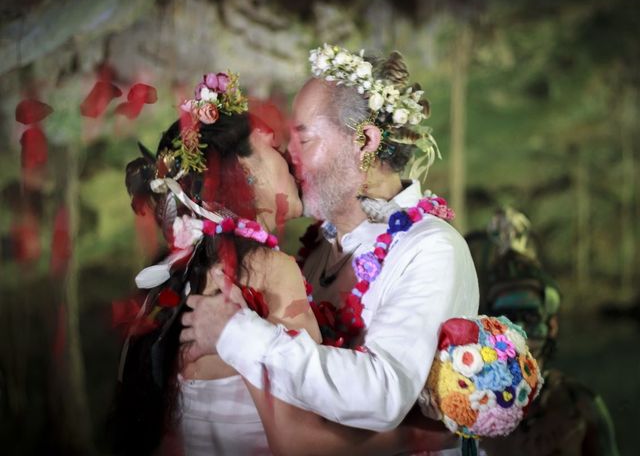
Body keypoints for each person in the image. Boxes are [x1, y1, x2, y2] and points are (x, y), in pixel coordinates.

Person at [112, 70, 451, 456]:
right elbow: (300, 441)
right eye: (274, 148)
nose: (291, 157)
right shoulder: (266, 270)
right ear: (247, 173)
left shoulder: (185, 274)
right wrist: (428, 434)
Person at [180, 45, 480, 454]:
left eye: (304, 140)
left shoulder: (431, 249)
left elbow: (384, 393)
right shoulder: (316, 247)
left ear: (366, 141)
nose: (290, 156)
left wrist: (235, 334)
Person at [467, 208, 620, 456]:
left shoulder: (578, 406)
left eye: (529, 317)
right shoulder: (472, 404)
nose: (519, 329)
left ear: (552, 325)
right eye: (509, 318)